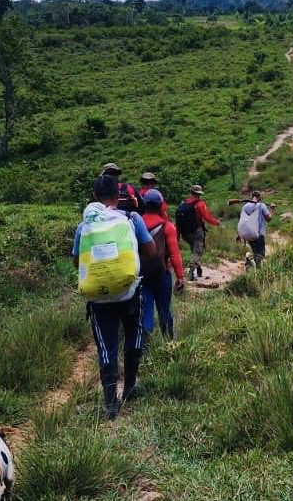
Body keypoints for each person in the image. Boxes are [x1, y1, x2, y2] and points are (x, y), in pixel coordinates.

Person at [71, 175, 156, 419]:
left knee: (106, 348)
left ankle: (110, 403)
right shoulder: (131, 218)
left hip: (99, 299)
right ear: (118, 194)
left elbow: (77, 261)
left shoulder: (83, 227)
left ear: (95, 196)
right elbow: (150, 251)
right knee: (134, 336)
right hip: (129, 293)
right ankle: (129, 386)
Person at [140, 189, 184, 340]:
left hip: (141, 275)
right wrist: (180, 277)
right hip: (162, 274)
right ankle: (169, 341)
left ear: (144, 204)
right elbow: (174, 254)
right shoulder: (168, 226)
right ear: (160, 206)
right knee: (164, 309)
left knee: (146, 310)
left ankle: (145, 347)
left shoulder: (134, 224)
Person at [177, 184, 221, 281]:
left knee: (194, 250)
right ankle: (191, 272)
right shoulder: (200, 204)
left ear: (191, 192)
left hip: (185, 233)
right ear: (199, 194)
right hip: (196, 232)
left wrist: (178, 236)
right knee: (197, 251)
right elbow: (207, 217)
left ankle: (199, 269)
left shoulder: (183, 204)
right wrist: (216, 222)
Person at [236, 191, 275, 268]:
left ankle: (249, 258)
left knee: (255, 252)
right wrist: (272, 209)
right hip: (258, 234)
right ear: (260, 198)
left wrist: (239, 234)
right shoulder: (261, 205)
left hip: (248, 234)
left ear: (252, 197)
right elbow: (268, 219)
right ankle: (256, 270)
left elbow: (243, 221)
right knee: (260, 255)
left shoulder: (245, 206)